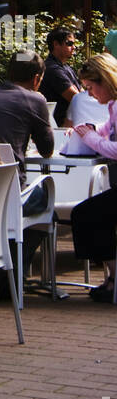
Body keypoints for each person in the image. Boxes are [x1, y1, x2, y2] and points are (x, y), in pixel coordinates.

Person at [0, 53, 53, 204]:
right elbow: (47, 150)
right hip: (11, 194)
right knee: (46, 198)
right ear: (36, 79)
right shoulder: (35, 100)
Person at [70, 54, 117, 301]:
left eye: (90, 87)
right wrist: (87, 129)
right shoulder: (113, 106)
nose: (89, 94)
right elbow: (107, 129)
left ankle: (114, 276)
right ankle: (111, 277)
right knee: (96, 215)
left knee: (86, 215)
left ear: (106, 81)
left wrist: (89, 138)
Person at [40, 26, 82, 127]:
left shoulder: (66, 67)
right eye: (69, 43)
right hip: (58, 126)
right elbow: (76, 98)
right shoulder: (52, 69)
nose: (74, 47)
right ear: (56, 44)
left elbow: (82, 93)